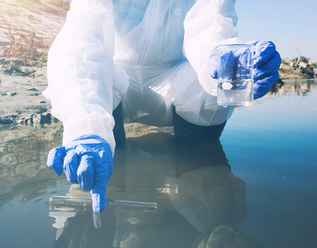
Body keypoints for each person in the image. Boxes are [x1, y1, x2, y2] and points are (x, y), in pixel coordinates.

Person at [44, 0, 281, 213]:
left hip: (176, 78)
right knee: (85, 75)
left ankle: (198, 178)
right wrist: (85, 127)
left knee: (214, 90)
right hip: (115, 78)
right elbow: (85, 36)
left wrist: (223, 58)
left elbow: (210, 27)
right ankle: (99, 146)